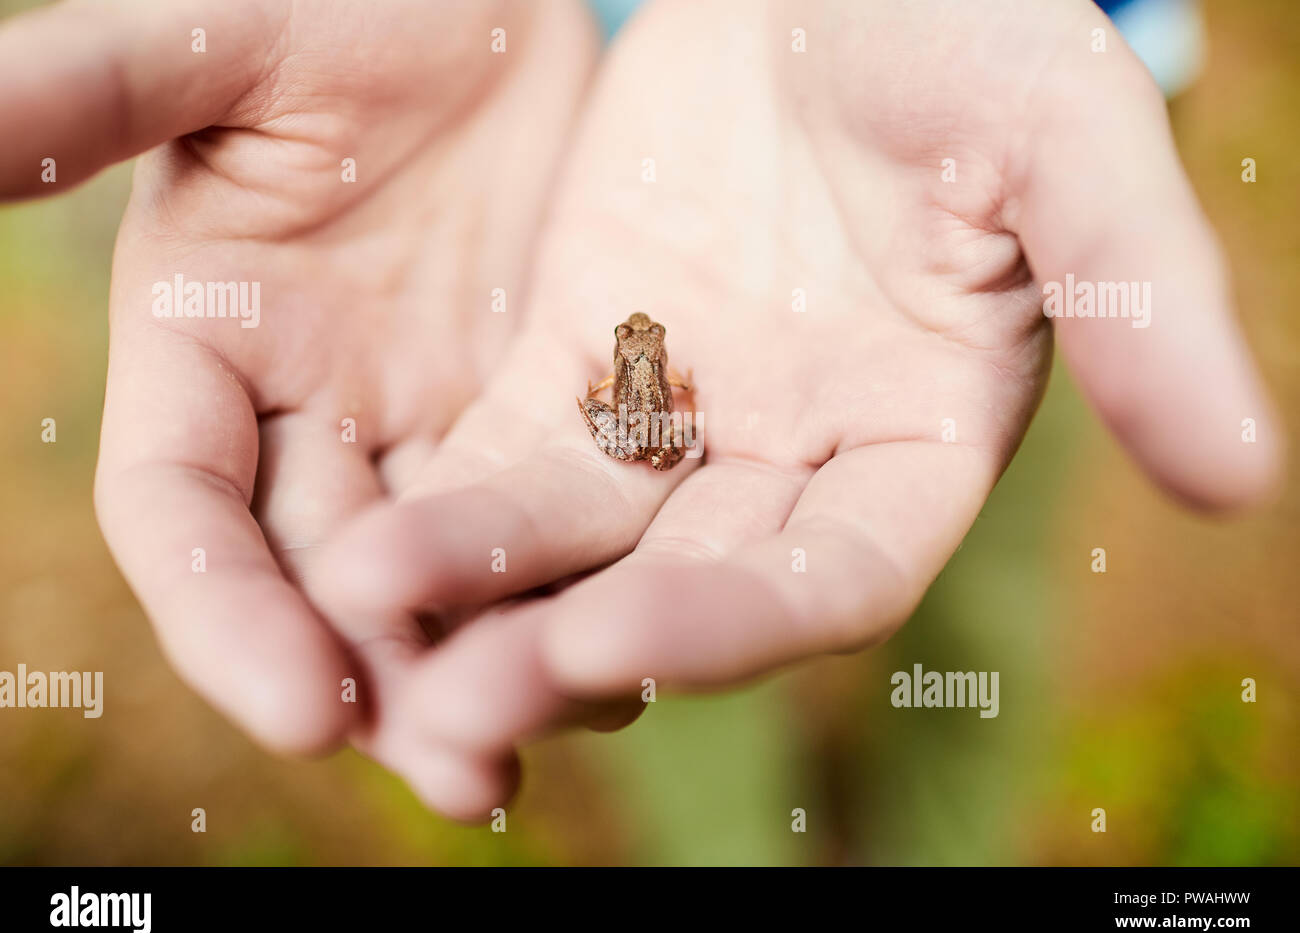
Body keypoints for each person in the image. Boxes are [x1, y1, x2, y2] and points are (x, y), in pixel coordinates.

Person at [0, 0, 1280, 820]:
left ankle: (955, 831)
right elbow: (642, 408)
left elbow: (660, 399)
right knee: (629, 622)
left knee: (976, 568)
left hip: (952, 118)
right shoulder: (638, 373)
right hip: (573, 90)